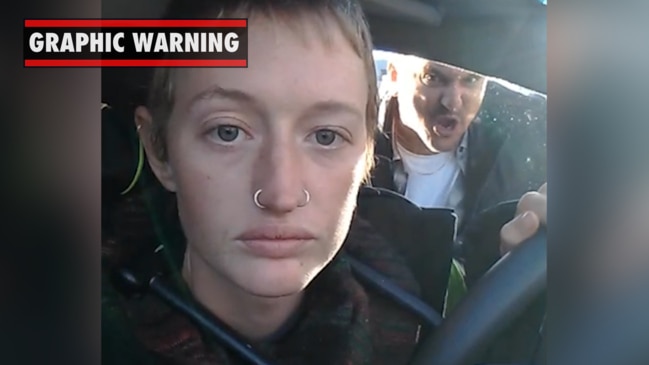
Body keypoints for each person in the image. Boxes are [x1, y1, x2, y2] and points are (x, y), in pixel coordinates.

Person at [100, 1, 546, 364]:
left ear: (368, 153)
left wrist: (529, 321)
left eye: (326, 136)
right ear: (160, 151)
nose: (280, 193)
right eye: (227, 132)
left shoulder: (434, 293)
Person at [371, 54, 547, 266]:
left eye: (471, 80)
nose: (452, 102)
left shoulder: (520, 143)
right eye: (432, 77)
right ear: (394, 75)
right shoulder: (349, 140)